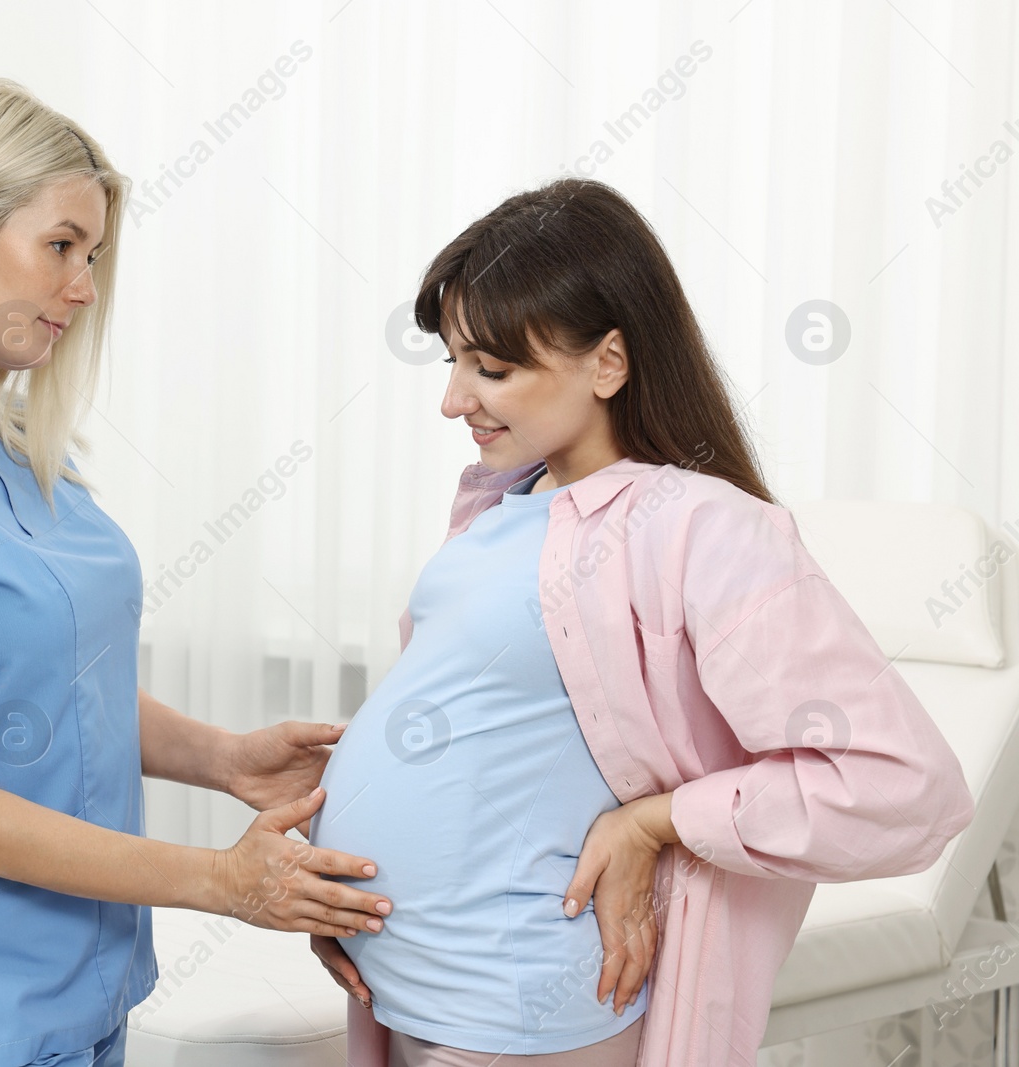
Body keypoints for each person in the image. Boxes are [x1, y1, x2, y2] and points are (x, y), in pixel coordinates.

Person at [0, 78, 393, 1067]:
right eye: (60, 246)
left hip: (91, 982)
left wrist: (224, 758)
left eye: (90, 257)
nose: (83, 287)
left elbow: (54, 685)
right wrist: (218, 881)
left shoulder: (21, 452)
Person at [305, 178, 976, 1067]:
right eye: (453, 363)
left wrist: (654, 820)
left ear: (608, 363)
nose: (453, 401)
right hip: (409, 986)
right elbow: (504, 739)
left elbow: (905, 784)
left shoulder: (700, 525)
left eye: (493, 369)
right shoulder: (499, 506)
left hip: (524, 1002)